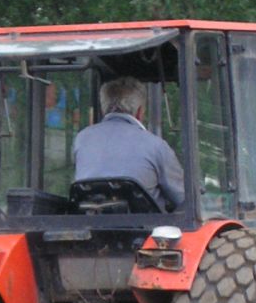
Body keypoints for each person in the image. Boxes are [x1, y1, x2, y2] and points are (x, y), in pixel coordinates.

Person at [71, 76, 185, 211]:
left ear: (103, 109)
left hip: (89, 222)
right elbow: (184, 198)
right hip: (143, 224)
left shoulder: (82, 139)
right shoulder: (156, 146)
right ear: (140, 112)